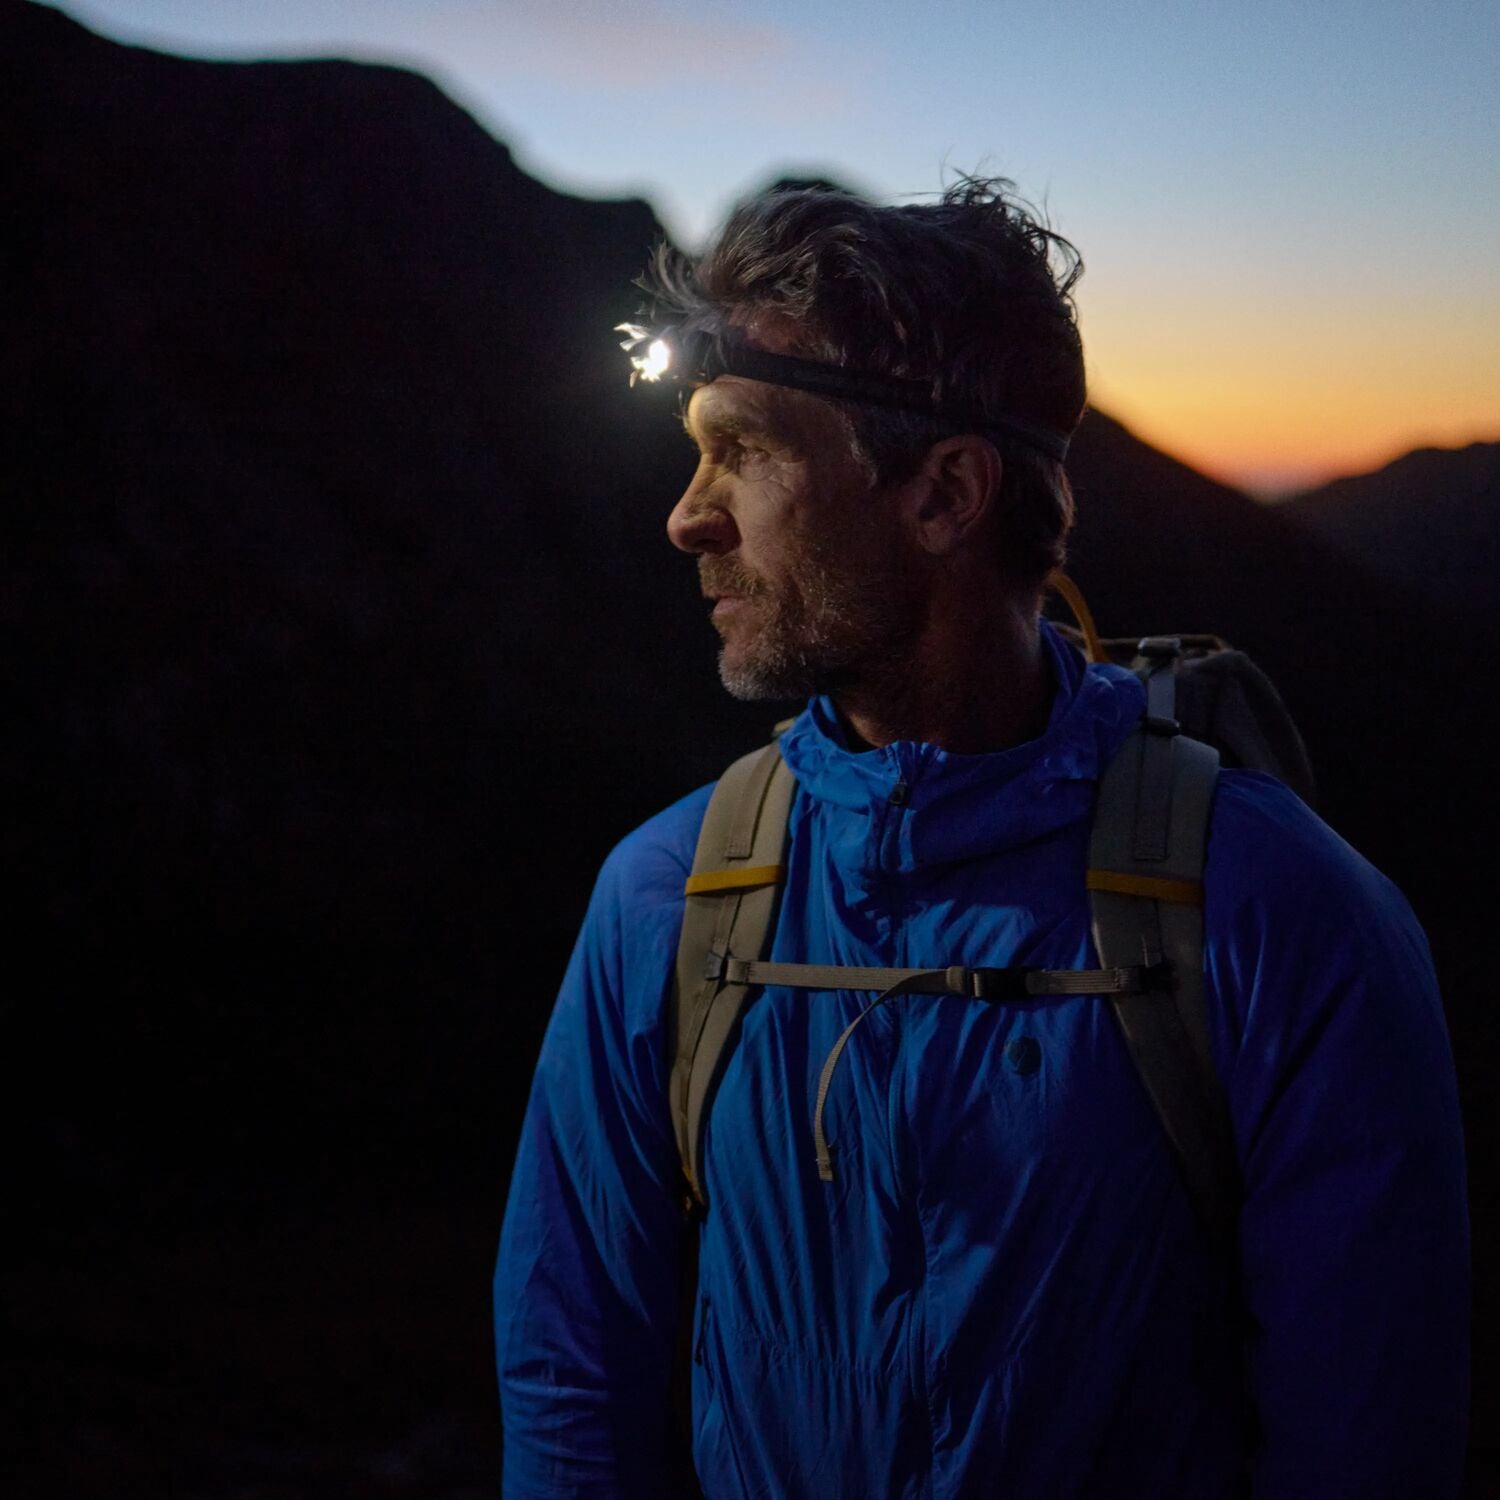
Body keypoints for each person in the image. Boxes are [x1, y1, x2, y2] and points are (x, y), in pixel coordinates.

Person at [492, 179, 1469, 1498]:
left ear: (946, 493)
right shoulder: (662, 901)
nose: (688, 514)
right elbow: (573, 1390)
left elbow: (1365, 1447)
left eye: (746, 453)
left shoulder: (1278, 913)